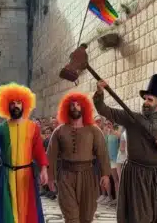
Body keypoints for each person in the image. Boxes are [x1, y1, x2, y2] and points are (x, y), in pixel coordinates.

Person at [94, 74, 157, 223]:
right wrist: (99, 92)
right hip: (137, 175)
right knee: (139, 218)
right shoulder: (133, 118)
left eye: (150, 100)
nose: (145, 102)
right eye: (145, 99)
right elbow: (104, 110)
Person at [0, 83, 49, 223]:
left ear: (24, 104)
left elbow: (39, 151)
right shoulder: (1, 129)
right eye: (12, 103)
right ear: (7, 106)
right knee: (6, 212)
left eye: (18, 103)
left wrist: (44, 169)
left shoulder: (33, 128)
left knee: (28, 211)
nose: (15, 106)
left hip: (27, 176)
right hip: (6, 175)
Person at [47, 92, 110, 223]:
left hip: (88, 175)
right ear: (67, 108)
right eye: (72, 105)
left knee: (87, 216)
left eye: (78, 105)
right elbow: (51, 155)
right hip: (65, 176)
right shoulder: (59, 131)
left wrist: (105, 175)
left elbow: (102, 153)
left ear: (84, 107)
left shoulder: (94, 130)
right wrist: (51, 177)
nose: (75, 107)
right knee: (71, 217)